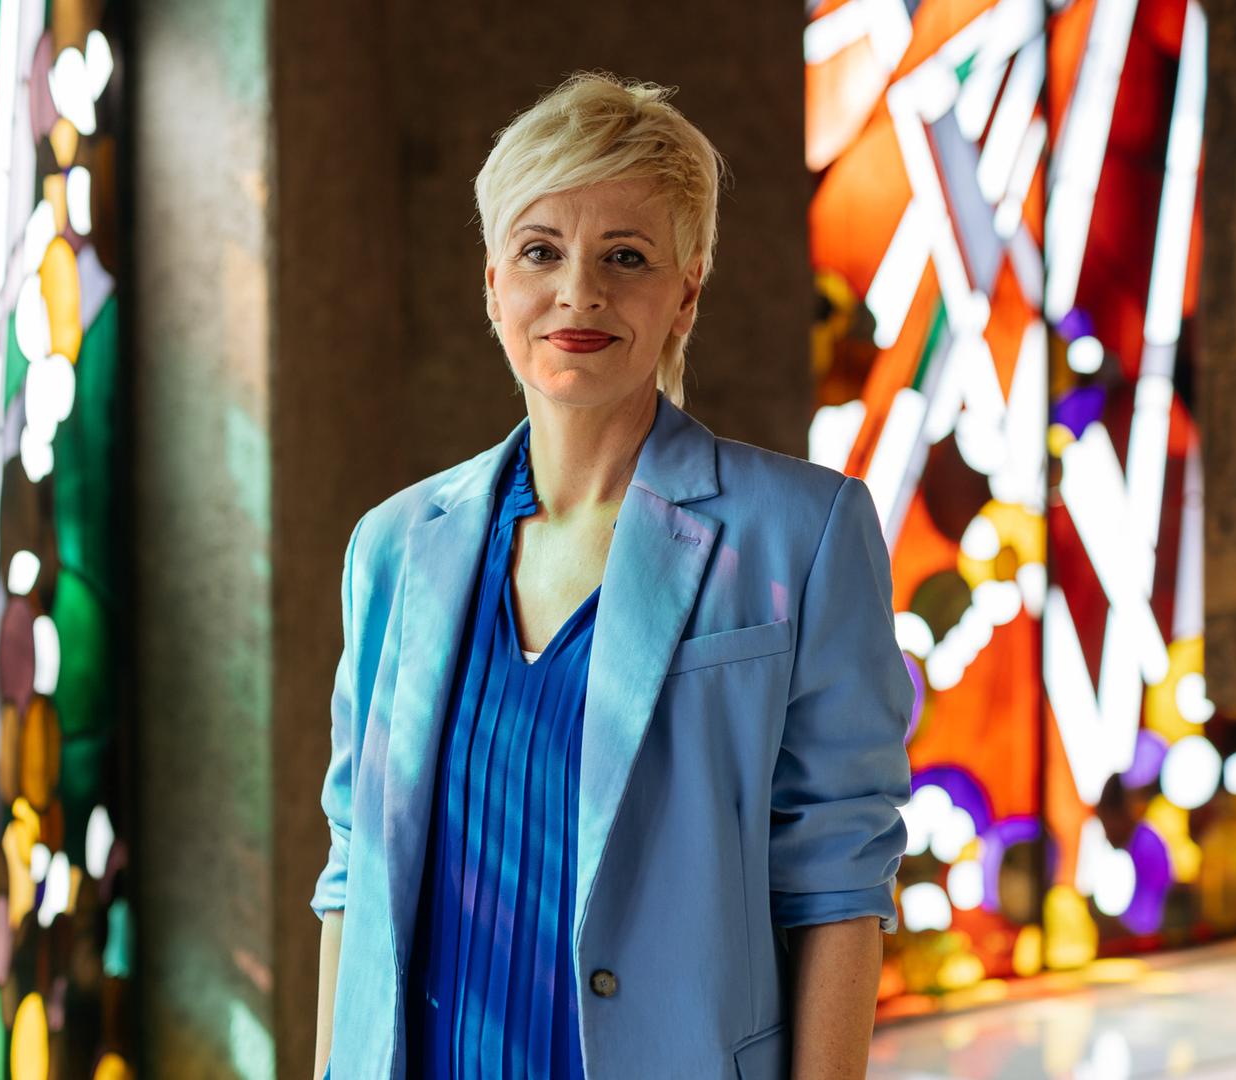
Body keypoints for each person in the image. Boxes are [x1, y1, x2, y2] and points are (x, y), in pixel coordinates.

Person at [309, 72, 912, 1079]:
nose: (577, 292)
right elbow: (350, 872)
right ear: (493, 283)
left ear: (687, 290)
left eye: (625, 257)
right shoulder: (394, 546)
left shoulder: (803, 535)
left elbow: (838, 885)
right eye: (540, 251)